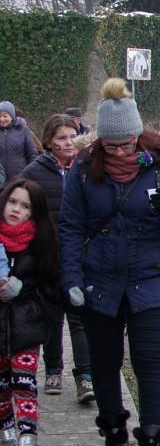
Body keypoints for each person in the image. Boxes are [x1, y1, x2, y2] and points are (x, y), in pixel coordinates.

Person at [59, 78, 160, 446]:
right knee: (104, 362)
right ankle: (114, 428)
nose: (120, 151)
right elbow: (69, 227)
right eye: (112, 145)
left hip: (151, 277)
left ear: (138, 135)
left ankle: (152, 439)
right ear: (100, 141)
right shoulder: (85, 169)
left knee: (151, 360)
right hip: (100, 280)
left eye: (126, 143)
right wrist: (70, 279)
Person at [21, 114, 94, 403]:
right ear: (49, 141)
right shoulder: (34, 172)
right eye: (61, 137)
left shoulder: (88, 170)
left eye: (72, 136)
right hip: (48, 257)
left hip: (79, 257)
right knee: (52, 318)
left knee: (79, 318)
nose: (67, 143)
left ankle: (85, 376)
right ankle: (53, 369)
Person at [0, 178, 61, 446]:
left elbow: (50, 288)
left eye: (24, 206)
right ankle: (7, 435)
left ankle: (28, 444)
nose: (16, 210)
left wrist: (23, 291)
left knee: (24, 382)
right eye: (13, 202)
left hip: (26, 324)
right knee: (0, 386)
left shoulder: (41, 243)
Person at [0, 101, 37, 180]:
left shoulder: (23, 130)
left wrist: (31, 173)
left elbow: (32, 153)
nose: (2, 119)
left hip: (20, 177)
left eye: (5, 116)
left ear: (12, 116)